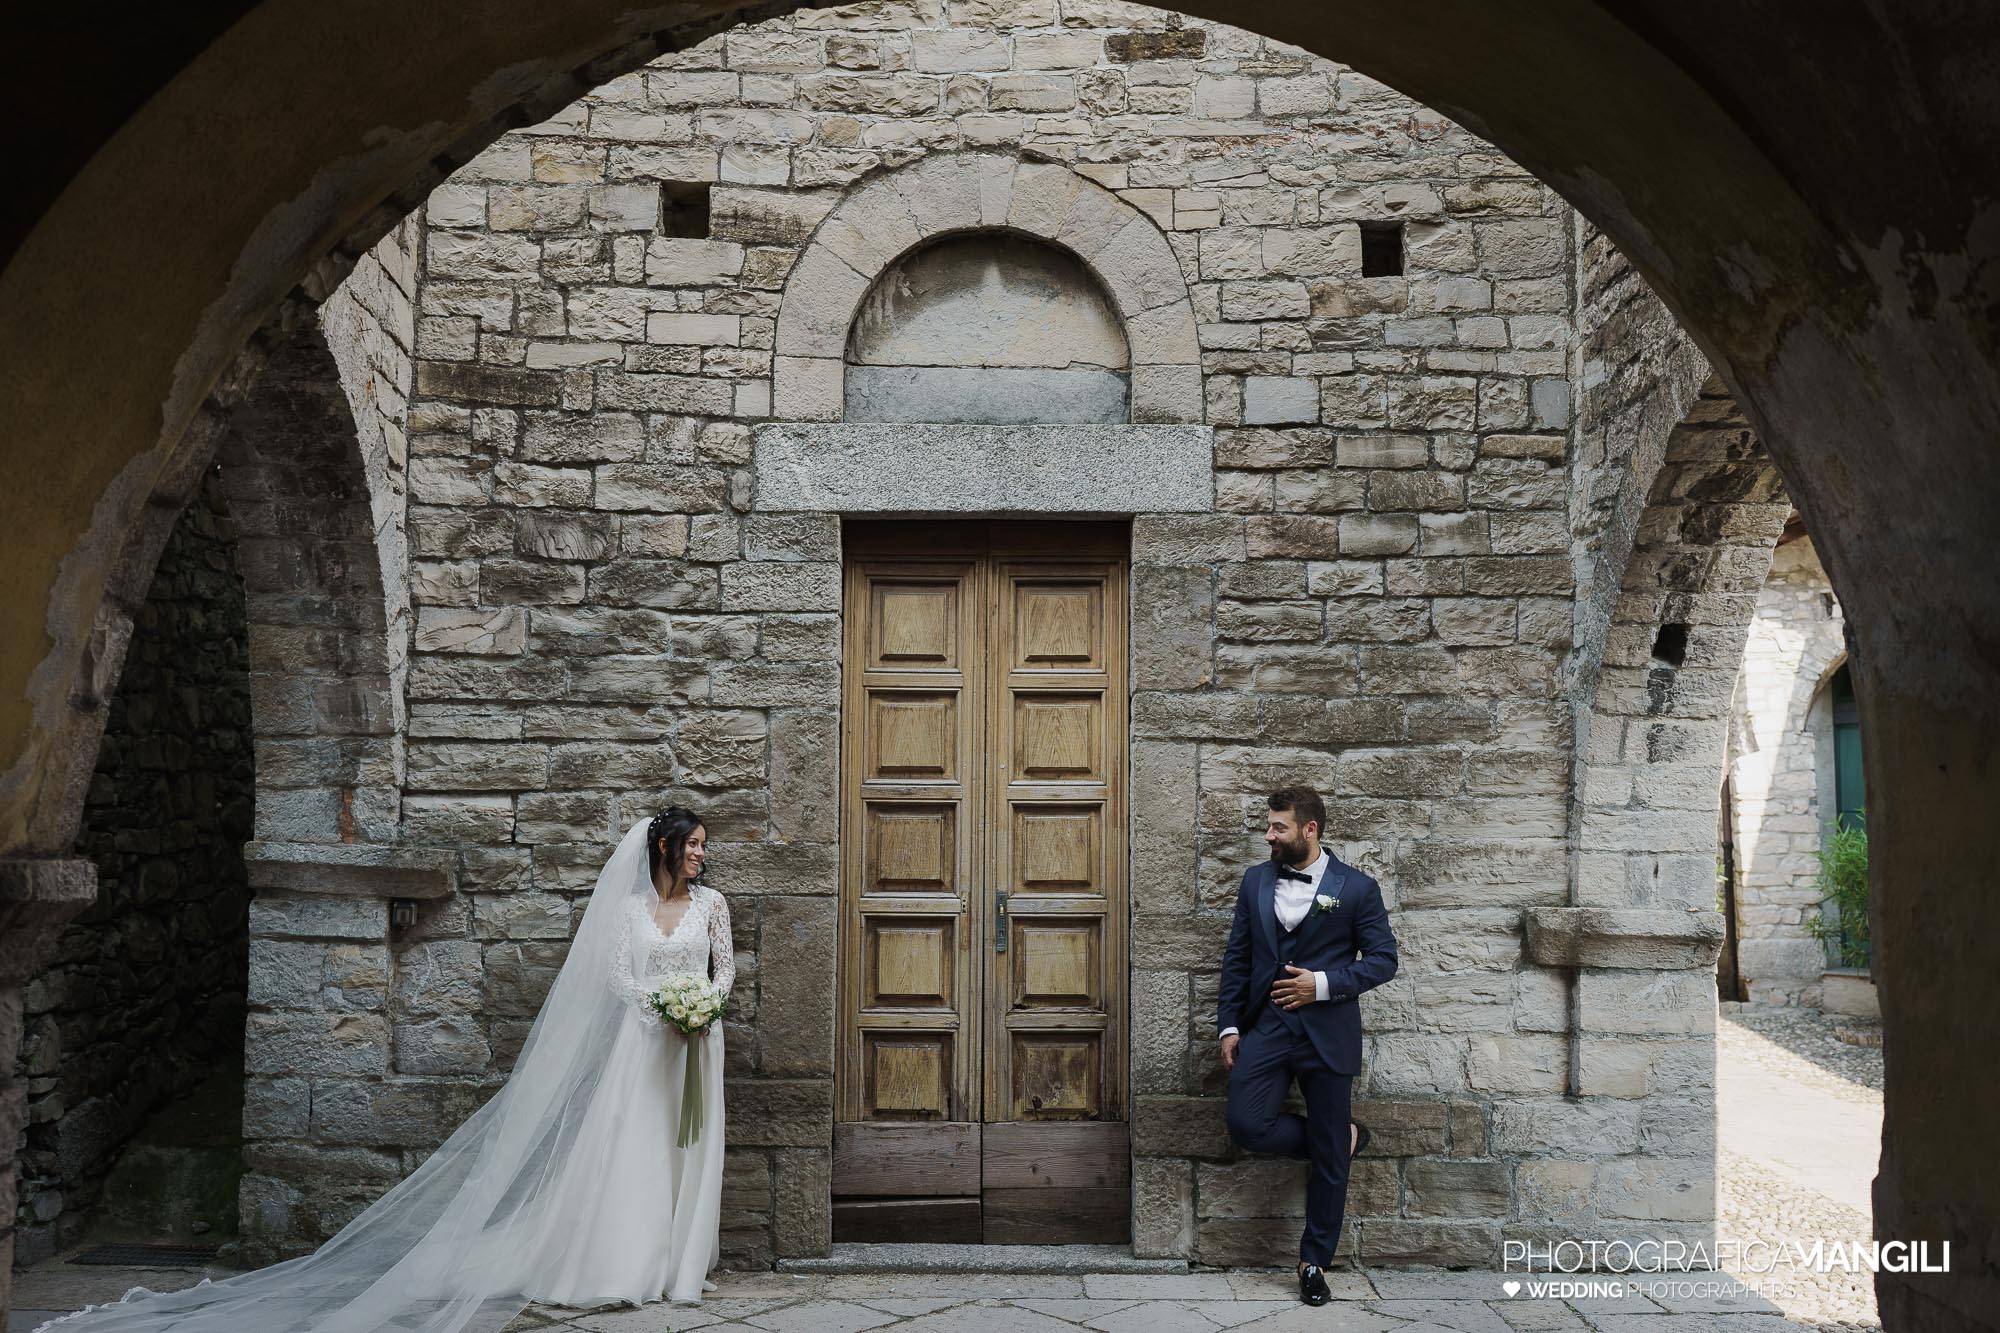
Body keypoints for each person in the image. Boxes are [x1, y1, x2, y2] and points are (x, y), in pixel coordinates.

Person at [35, 808, 735, 1333]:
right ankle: (630, 1259)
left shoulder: (712, 906)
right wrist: (659, 1009)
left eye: (705, 845)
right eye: (694, 844)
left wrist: (700, 1008)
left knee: (689, 1148)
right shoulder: (628, 909)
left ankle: (680, 1261)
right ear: (666, 847)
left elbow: (724, 971)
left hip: (696, 1040)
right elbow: (617, 976)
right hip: (642, 1043)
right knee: (632, 1147)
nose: (702, 854)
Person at [1216, 785, 1399, 1307]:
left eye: (1278, 827)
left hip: (1327, 1031)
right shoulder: (1255, 881)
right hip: (1268, 1027)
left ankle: (1313, 1261)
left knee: (1329, 1160)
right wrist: (1229, 1026)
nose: (1268, 835)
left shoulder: (1357, 888)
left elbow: (1383, 959)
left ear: (1309, 829)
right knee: (1247, 1124)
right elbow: (1237, 958)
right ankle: (1340, 1137)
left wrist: (1321, 984)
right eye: (1268, 826)